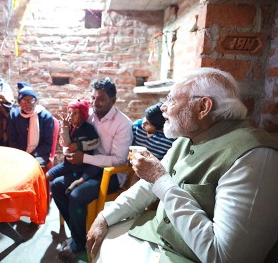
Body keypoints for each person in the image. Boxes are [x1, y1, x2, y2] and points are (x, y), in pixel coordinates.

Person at [86, 67, 278, 263]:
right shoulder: (188, 138)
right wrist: (104, 216)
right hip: (163, 235)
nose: (163, 108)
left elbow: (225, 257)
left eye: (172, 99)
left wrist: (160, 179)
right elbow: (148, 187)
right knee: (105, 237)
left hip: (188, 256)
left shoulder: (254, 157)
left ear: (203, 107)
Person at [51, 77, 133, 261]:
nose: (95, 103)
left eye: (101, 99)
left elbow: (119, 160)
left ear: (113, 100)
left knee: (76, 195)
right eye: (93, 98)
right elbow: (74, 139)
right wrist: (68, 149)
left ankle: (78, 244)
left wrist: (84, 157)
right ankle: (79, 233)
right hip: (87, 166)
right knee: (56, 185)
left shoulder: (122, 124)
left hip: (110, 174)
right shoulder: (90, 116)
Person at [46, 99, 101, 195]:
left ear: (82, 115)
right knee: (47, 175)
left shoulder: (87, 128)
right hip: (67, 164)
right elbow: (65, 144)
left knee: (67, 187)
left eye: (75, 113)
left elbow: (96, 142)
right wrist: (64, 128)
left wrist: (79, 145)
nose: (71, 116)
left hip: (82, 166)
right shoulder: (69, 128)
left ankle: (76, 183)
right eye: (69, 112)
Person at [6, 82, 54, 168]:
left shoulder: (46, 117)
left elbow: (47, 144)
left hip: (39, 154)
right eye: (24, 100)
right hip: (18, 153)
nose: (28, 103)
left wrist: (31, 155)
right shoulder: (14, 114)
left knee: (31, 168)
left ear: (35, 101)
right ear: (19, 102)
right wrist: (22, 154)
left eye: (31, 99)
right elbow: (12, 139)